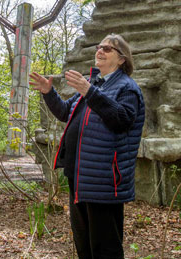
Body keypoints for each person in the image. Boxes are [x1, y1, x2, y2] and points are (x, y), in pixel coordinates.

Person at [29, 33, 145, 259]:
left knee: (105, 247)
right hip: (80, 176)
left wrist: (89, 92)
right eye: (99, 46)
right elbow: (64, 112)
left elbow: (122, 120)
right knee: (84, 243)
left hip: (103, 180)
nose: (99, 50)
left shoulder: (127, 88)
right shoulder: (93, 84)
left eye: (107, 49)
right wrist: (48, 92)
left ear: (122, 59)